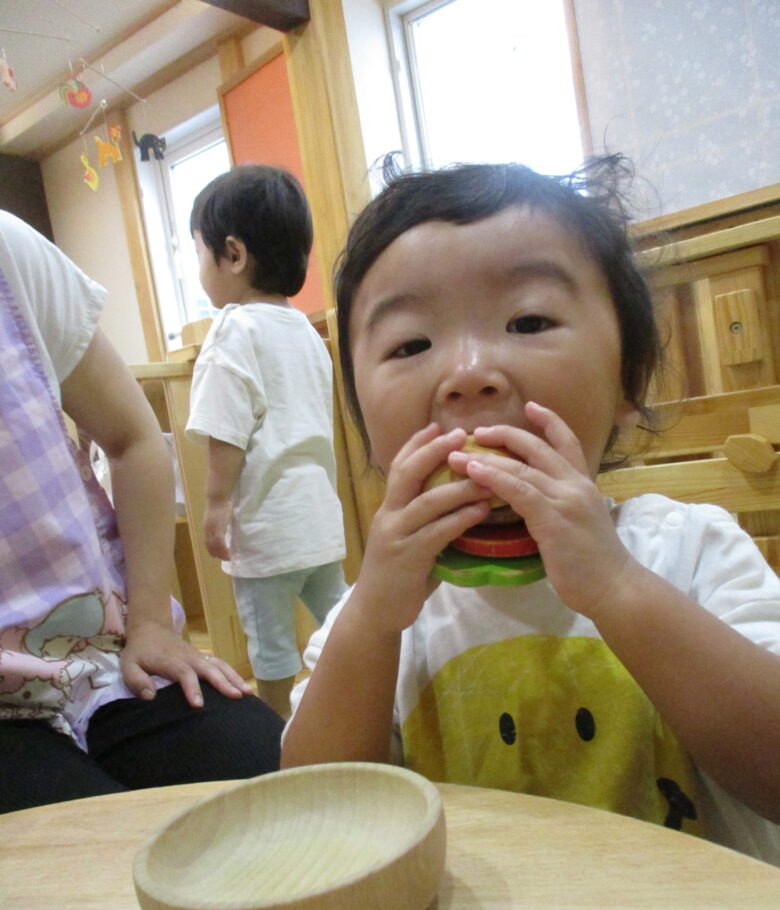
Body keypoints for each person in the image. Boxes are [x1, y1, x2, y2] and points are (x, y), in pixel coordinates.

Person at [281, 155, 780, 866]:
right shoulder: (378, 621)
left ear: (627, 382)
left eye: (529, 319)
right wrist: (370, 621)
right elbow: (311, 819)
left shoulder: (687, 551)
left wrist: (616, 586)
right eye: (411, 344)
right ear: (365, 422)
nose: (468, 373)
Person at [0, 210, 284, 815]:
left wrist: (151, 618)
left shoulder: (8, 252)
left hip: (104, 661)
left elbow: (145, 438)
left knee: (284, 774)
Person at [186, 165, 347, 719]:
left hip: (266, 531)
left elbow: (227, 429)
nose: (200, 270)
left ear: (233, 254)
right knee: (345, 631)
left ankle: (276, 735)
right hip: (319, 521)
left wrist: (214, 506)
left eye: (200, 254)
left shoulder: (233, 330)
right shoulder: (305, 330)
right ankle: (364, 711)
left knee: (272, 655)